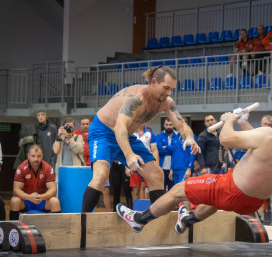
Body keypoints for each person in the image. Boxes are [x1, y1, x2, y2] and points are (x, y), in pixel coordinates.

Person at [117, 95, 272, 234]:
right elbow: (261, 150)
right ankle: (187, 220)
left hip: (232, 190)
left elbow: (226, 139)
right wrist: (243, 123)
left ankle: (139, 220)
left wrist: (228, 120)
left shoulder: (269, 135)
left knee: (178, 190)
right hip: (254, 202)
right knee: (213, 199)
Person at [81, 66, 200, 212]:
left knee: (157, 175)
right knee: (101, 176)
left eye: (172, 89)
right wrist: (129, 155)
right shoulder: (136, 99)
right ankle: (83, 225)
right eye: (166, 88)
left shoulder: (166, 101)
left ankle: (157, 220)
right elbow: (119, 127)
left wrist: (189, 137)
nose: (169, 93)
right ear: (154, 82)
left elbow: (182, 125)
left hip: (126, 136)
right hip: (103, 132)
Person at [10, 145, 61, 219]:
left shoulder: (48, 168)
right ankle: (13, 227)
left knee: (55, 201)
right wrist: (29, 197)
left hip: (42, 200)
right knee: (14, 200)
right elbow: (16, 190)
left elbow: (53, 189)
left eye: (39, 156)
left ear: (42, 156)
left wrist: (42, 197)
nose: (36, 159)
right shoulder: (21, 168)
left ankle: (56, 229)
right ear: (28, 156)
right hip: (26, 200)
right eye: (33, 156)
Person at [255, 115, 272, 225]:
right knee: (258, 199)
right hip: (259, 172)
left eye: (270, 125)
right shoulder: (255, 135)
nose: (267, 126)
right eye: (265, 124)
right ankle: (259, 222)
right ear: (261, 124)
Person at [127, 124, 159, 200]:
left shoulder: (150, 133)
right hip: (134, 163)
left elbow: (154, 150)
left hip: (147, 163)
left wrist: (156, 165)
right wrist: (126, 167)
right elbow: (126, 149)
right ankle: (136, 210)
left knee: (150, 188)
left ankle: (150, 209)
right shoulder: (130, 133)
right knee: (135, 190)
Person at [169, 118, 197, 185]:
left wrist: (189, 169)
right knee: (176, 191)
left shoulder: (190, 136)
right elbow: (173, 154)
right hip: (175, 169)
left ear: (186, 124)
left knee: (183, 191)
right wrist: (171, 169)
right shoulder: (175, 137)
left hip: (184, 169)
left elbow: (192, 154)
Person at [155, 118, 177, 192]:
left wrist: (166, 146)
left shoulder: (177, 136)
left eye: (170, 125)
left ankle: (173, 204)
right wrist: (172, 150)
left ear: (173, 125)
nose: (168, 126)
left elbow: (177, 150)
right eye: (167, 125)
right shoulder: (159, 136)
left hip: (174, 167)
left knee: (173, 190)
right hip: (162, 167)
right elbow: (159, 150)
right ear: (164, 125)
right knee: (161, 189)